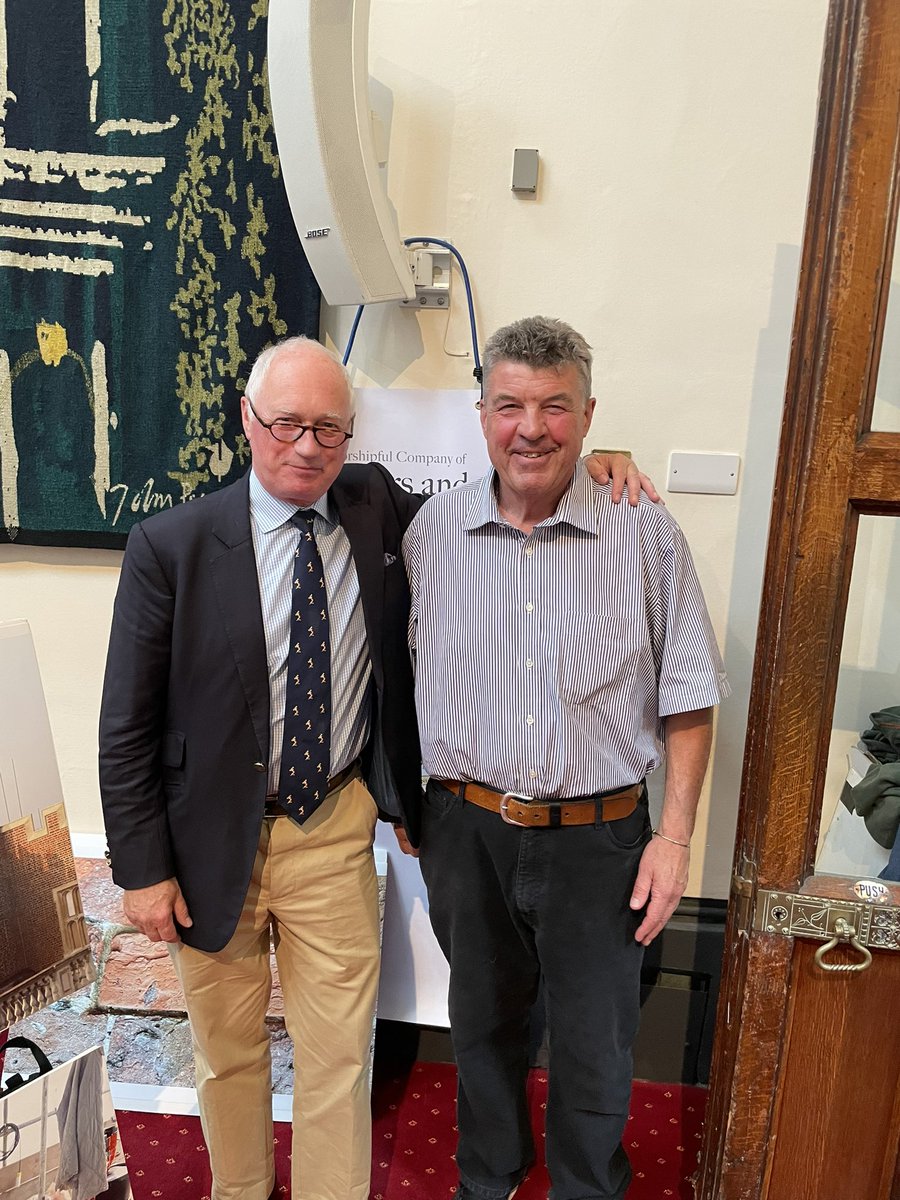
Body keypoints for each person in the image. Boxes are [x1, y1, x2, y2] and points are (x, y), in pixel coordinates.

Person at [98, 335, 646, 1200]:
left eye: (329, 428)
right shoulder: (173, 545)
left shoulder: (376, 506)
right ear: (248, 422)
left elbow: (512, 476)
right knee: (229, 1054)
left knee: (338, 1059)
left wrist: (597, 457)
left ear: (352, 438)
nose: (307, 447)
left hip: (333, 828)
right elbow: (125, 724)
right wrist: (142, 869)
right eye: (286, 425)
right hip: (205, 845)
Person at [402, 316, 730, 1200]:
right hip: (468, 831)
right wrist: (416, 814)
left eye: (554, 407)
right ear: (482, 416)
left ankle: (589, 1188)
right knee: (482, 1030)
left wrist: (675, 839)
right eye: (510, 405)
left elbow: (689, 697)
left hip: (602, 839)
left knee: (597, 1046)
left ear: (589, 416)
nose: (531, 428)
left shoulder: (646, 535)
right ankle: (492, 1180)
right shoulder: (430, 535)